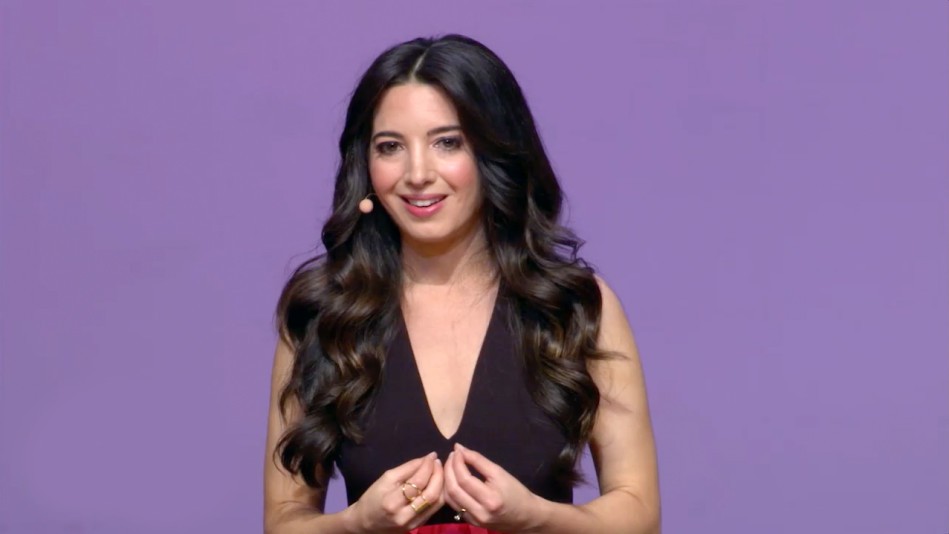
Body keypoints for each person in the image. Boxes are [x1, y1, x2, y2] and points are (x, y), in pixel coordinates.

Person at [263, 34, 660, 534]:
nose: (417, 173)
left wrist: (537, 518)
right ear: (366, 165)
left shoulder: (574, 307)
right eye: (390, 147)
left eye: (447, 142)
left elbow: (640, 514)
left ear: (495, 152)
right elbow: (284, 521)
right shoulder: (322, 314)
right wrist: (357, 524)